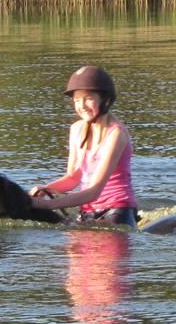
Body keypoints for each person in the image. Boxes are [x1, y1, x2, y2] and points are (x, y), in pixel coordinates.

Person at [29, 66, 138, 229]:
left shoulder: (116, 134)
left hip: (117, 212)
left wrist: (47, 206)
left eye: (88, 98)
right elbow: (73, 178)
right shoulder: (76, 129)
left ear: (105, 100)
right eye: (77, 100)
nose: (82, 105)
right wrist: (46, 189)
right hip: (87, 211)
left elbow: (94, 191)